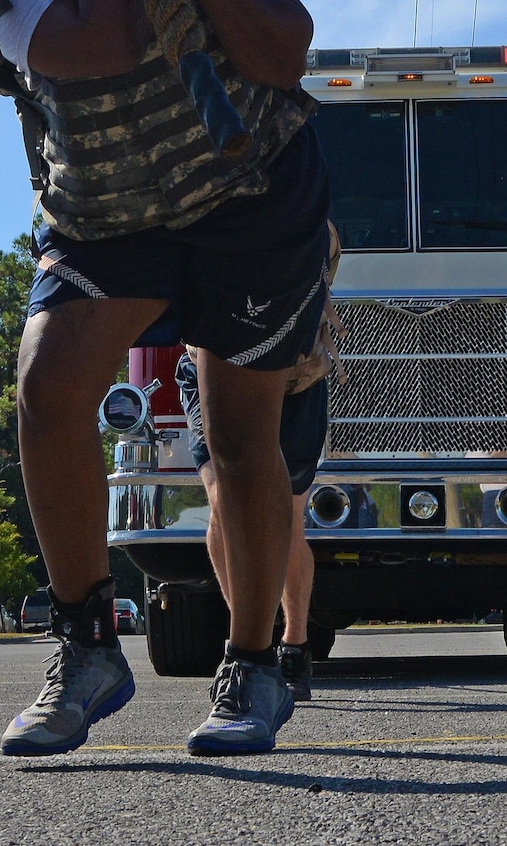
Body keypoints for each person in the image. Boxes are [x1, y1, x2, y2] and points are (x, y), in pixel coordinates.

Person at [0, 0, 331, 757]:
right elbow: (97, 41)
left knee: (240, 432)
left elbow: (284, 52)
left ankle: (250, 666)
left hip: (249, 192)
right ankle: (85, 642)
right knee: (48, 384)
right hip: (106, 209)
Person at [175, 227, 340, 701]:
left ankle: (295, 643)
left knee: (287, 517)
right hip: (207, 363)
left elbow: (323, 248)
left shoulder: (303, 210)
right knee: (222, 503)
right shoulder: (195, 202)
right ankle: (248, 647)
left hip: (293, 374)